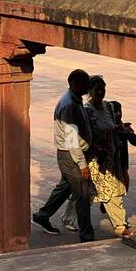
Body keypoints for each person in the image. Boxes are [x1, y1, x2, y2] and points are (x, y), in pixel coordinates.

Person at [30, 69, 95, 241]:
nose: (88, 88)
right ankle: (86, 235)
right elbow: (72, 138)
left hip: (70, 154)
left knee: (64, 187)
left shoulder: (75, 100)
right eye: (85, 84)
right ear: (74, 83)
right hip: (71, 155)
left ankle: (43, 215)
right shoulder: (69, 105)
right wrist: (82, 164)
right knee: (83, 194)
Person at [83, 75, 136, 238]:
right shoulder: (87, 111)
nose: (101, 92)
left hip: (112, 156)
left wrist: (121, 128)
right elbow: (87, 135)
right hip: (98, 160)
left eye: (103, 88)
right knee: (108, 193)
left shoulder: (108, 107)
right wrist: (97, 153)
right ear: (90, 91)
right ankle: (120, 226)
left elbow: (111, 127)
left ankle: (119, 223)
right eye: (97, 89)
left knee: (114, 191)